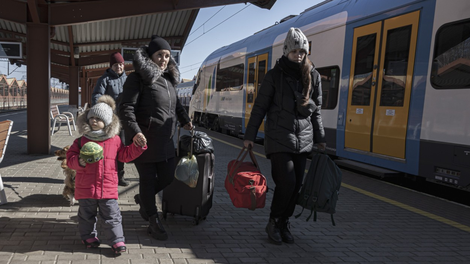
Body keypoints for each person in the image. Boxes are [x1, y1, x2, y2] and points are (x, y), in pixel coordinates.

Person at [243, 27, 327, 245]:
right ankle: (274, 220)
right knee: (287, 182)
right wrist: (250, 136)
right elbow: (260, 107)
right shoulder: (274, 76)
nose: (299, 55)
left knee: (296, 185)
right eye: (294, 51)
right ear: (286, 51)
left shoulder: (314, 76)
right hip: (279, 138)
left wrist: (321, 139)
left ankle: (283, 222)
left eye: (302, 51)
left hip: (304, 140)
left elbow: (317, 111)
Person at [119, 35, 193, 241]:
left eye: (167, 55)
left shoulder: (169, 80)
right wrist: (135, 132)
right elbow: (126, 108)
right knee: (148, 180)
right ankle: (153, 219)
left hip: (166, 140)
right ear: (150, 56)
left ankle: (144, 198)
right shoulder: (137, 78)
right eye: (160, 54)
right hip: (144, 140)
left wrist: (185, 120)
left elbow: (176, 105)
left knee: (169, 176)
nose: (164, 59)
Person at [66, 95, 147, 255]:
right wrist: (79, 161)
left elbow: (124, 155)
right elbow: (70, 160)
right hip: (86, 188)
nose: (94, 121)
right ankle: (88, 237)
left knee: (113, 216)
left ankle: (117, 241)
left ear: (108, 122)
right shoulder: (81, 141)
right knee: (86, 216)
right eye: (92, 118)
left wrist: (138, 147)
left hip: (108, 188)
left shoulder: (114, 140)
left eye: (99, 118)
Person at [91, 52, 129, 186]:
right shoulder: (104, 79)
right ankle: (107, 174)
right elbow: (96, 95)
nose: (119, 67)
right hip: (110, 120)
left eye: (121, 64)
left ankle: (120, 175)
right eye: (116, 64)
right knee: (109, 147)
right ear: (111, 66)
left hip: (124, 119)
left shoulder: (128, 79)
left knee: (122, 146)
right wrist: (103, 109)